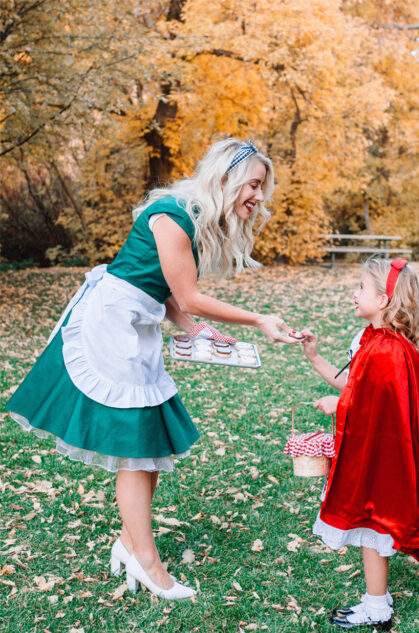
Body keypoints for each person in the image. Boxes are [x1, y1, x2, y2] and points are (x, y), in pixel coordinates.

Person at [6, 138, 301, 600]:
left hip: (138, 324)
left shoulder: (195, 218)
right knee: (135, 450)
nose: (259, 196)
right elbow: (187, 295)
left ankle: (129, 543)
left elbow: (165, 290)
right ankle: (147, 563)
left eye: (262, 187)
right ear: (225, 179)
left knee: (149, 446)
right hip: (112, 324)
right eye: (255, 185)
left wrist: (195, 330)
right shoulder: (172, 218)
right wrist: (258, 319)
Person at [300, 257, 419, 631]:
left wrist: (342, 405)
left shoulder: (388, 350)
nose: (355, 292)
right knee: (371, 526)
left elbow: (379, 406)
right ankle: (376, 604)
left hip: (381, 458)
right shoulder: (370, 340)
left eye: (363, 288)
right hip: (369, 455)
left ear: (383, 300)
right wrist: (315, 357)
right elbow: (355, 387)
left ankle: (377, 606)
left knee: (374, 522)